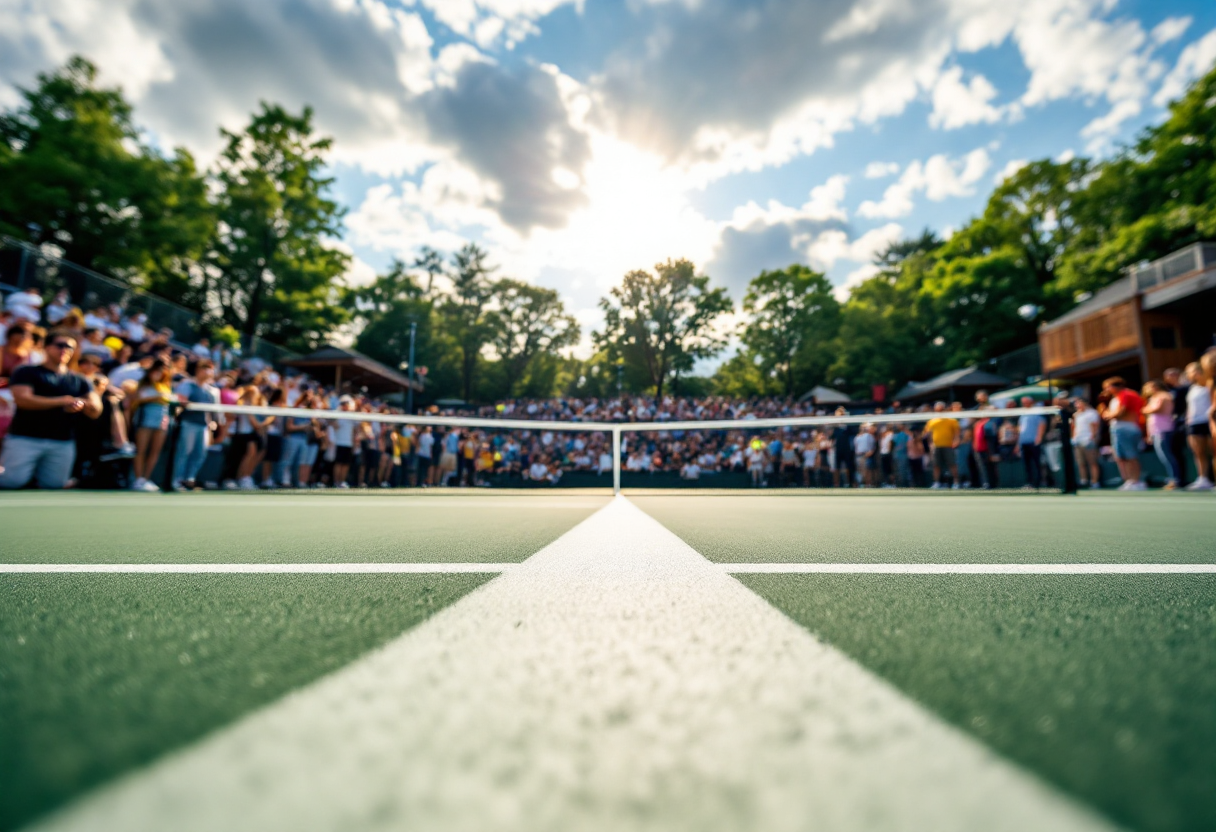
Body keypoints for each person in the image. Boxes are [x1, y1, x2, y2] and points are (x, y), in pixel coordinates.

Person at [0, 336, 102, 489]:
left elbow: (95, 409)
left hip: (62, 441)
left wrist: (79, 404)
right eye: (60, 345)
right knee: (11, 482)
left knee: (54, 484)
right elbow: (23, 400)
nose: (65, 350)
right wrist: (63, 401)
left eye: (70, 347)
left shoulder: (80, 380)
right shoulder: (26, 372)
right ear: (47, 348)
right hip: (25, 438)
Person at [126, 358, 174, 492]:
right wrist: (156, 397)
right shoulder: (143, 384)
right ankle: (138, 479)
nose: (160, 372)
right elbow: (137, 399)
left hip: (162, 418)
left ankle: (145, 479)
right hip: (146, 417)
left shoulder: (166, 386)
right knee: (141, 449)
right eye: (158, 369)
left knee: (155, 451)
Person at [172, 360, 219, 491]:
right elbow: (181, 402)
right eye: (205, 368)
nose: (209, 372)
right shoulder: (187, 384)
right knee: (184, 452)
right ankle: (177, 480)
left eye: (210, 369)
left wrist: (211, 424)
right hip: (188, 423)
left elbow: (211, 411)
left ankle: (189, 480)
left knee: (200, 453)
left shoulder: (211, 390)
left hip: (203, 426)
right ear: (198, 370)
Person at [1099, 377, 1145, 490]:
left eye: (1107, 387)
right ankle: (1130, 481)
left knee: (1130, 456)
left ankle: (1136, 481)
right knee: (1122, 457)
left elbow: (1120, 413)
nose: (1106, 391)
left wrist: (1107, 414)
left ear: (1114, 386)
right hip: (1119, 429)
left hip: (1127, 428)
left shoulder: (1126, 394)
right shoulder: (1117, 398)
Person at [1141, 380, 1180, 489]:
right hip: (1156, 431)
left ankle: (1175, 479)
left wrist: (1146, 409)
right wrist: (1149, 434)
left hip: (1164, 429)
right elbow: (1149, 414)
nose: (1147, 389)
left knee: (1167, 456)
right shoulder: (1153, 398)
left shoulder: (1164, 396)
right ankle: (1172, 478)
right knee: (1164, 456)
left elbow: (1156, 409)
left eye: (1150, 387)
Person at [1183, 362, 1213, 491]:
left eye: (1192, 371)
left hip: (1209, 422)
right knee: (1198, 452)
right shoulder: (1192, 388)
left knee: (1213, 451)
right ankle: (1203, 478)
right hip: (1194, 423)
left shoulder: (1210, 385)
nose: (1191, 374)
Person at [924, 402, 960, 489]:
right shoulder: (931, 421)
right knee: (936, 465)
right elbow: (927, 433)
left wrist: (956, 441)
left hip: (949, 446)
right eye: (937, 410)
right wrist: (930, 444)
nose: (939, 411)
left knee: (952, 464)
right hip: (936, 446)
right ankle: (936, 483)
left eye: (941, 409)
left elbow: (957, 433)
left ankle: (956, 482)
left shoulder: (952, 420)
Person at [1070, 398, 1102, 489]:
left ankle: (1095, 482)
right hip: (1078, 441)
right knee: (1081, 463)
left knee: (1092, 462)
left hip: (1088, 440)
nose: (1077, 405)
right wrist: (1073, 438)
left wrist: (1092, 438)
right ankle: (1084, 481)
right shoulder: (1076, 415)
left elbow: (1095, 427)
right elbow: (1074, 428)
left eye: (1079, 403)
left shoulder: (1092, 413)